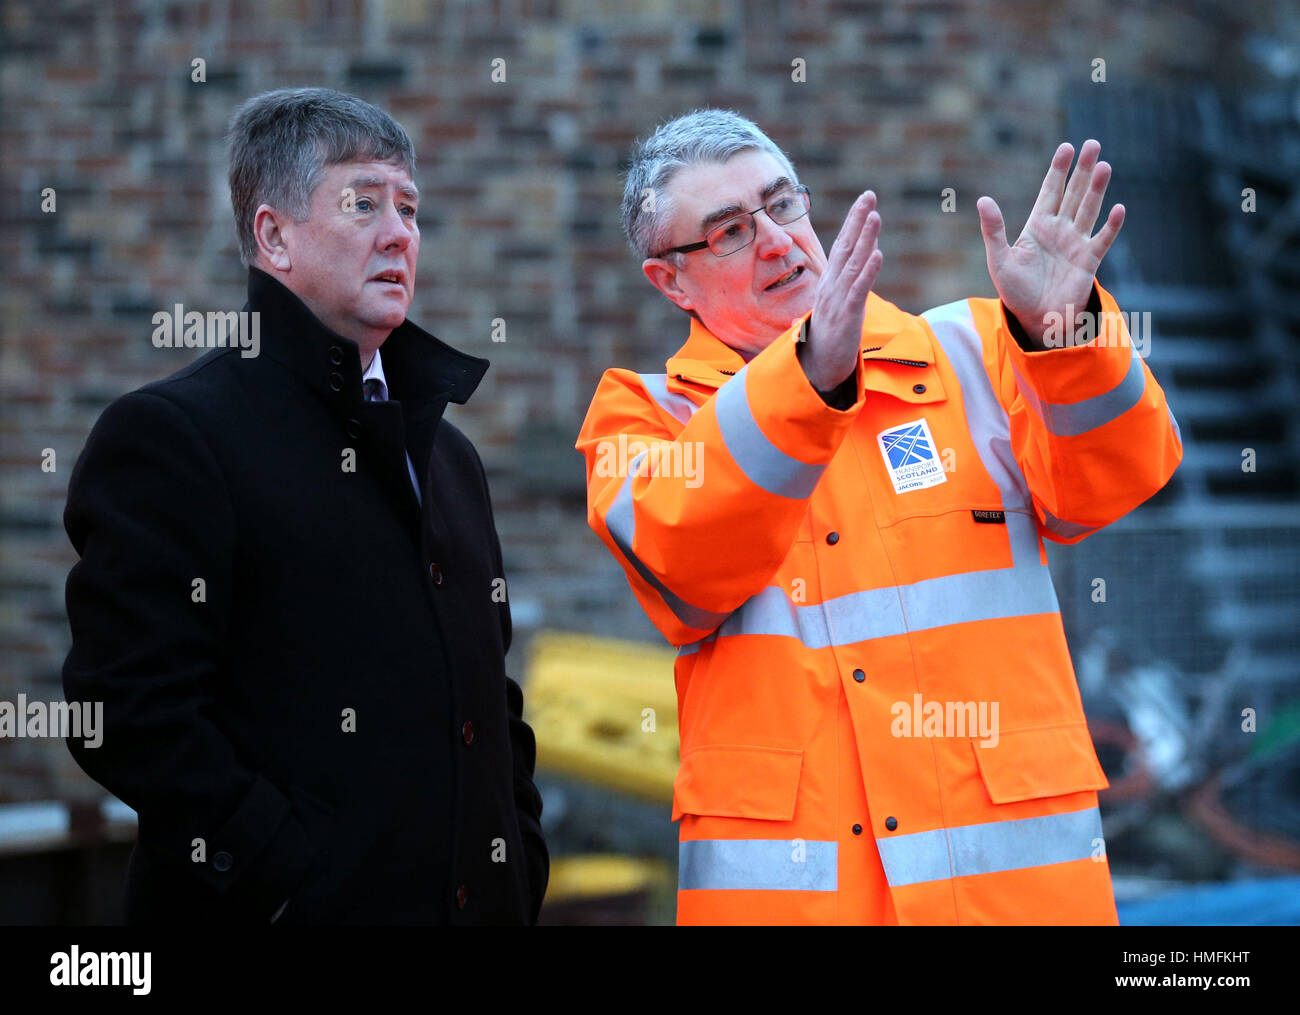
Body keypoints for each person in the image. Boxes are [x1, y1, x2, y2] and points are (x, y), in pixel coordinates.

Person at [576, 109, 1182, 925]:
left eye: (783, 204)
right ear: (670, 281)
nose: (778, 242)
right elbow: (683, 568)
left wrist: (1063, 336)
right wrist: (812, 379)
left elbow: (1121, 476)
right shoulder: (642, 420)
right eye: (726, 232)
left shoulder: (974, 349)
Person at [62, 87, 547, 925]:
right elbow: (124, 713)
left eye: (410, 208)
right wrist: (286, 876)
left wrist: (520, 860)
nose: (400, 232)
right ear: (273, 236)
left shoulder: (448, 454)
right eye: (363, 202)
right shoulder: (173, 435)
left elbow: (487, 697)